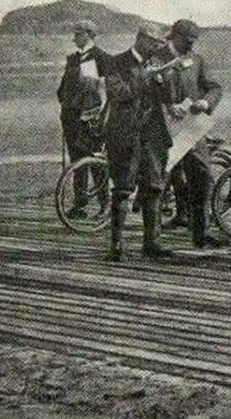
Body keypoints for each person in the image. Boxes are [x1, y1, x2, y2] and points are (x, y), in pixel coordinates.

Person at [157, 19, 226, 250]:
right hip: (162, 128)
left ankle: (201, 233)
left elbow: (215, 87)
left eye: (195, 40)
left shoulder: (197, 60)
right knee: (158, 180)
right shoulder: (157, 59)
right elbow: (145, 88)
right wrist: (166, 106)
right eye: (188, 40)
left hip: (191, 129)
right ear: (174, 37)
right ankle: (152, 239)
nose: (192, 44)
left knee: (202, 177)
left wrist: (205, 102)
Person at [102, 25, 168, 261]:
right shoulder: (115, 62)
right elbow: (119, 93)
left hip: (152, 136)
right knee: (122, 189)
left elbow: (167, 99)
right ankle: (116, 246)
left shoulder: (157, 63)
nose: (156, 48)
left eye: (159, 44)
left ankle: (152, 244)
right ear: (140, 40)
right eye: (153, 43)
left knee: (154, 187)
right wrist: (145, 77)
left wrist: (164, 80)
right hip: (124, 135)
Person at [57, 19, 110, 219]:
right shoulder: (73, 59)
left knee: (94, 161)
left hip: (91, 119)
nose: (74, 38)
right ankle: (80, 205)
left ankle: (105, 205)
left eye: (78, 34)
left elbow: (107, 90)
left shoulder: (101, 57)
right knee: (77, 162)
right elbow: (63, 88)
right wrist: (65, 102)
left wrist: (98, 114)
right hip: (71, 117)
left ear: (88, 34)